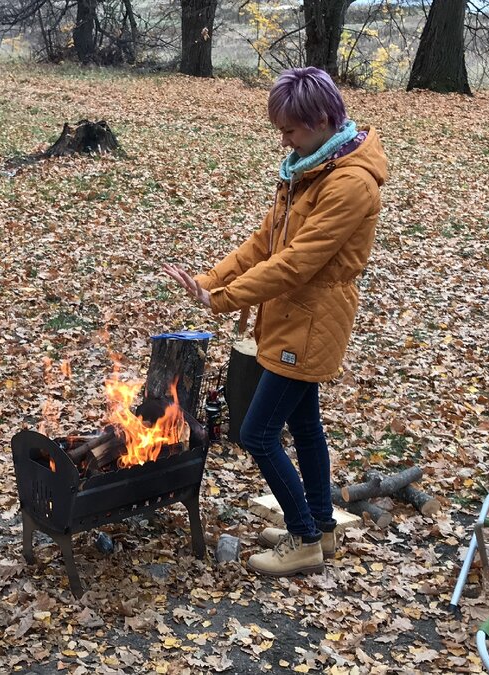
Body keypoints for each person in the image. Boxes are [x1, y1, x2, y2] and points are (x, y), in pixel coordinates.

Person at [164, 67, 388, 576]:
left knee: (258, 433)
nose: (283, 139)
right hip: (290, 313)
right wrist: (209, 280)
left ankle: (304, 537)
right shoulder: (306, 168)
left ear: (325, 120)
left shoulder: (349, 184)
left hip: (312, 318)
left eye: (290, 129)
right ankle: (322, 528)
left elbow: (295, 263)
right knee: (305, 426)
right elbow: (265, 243)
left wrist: (222, 300)